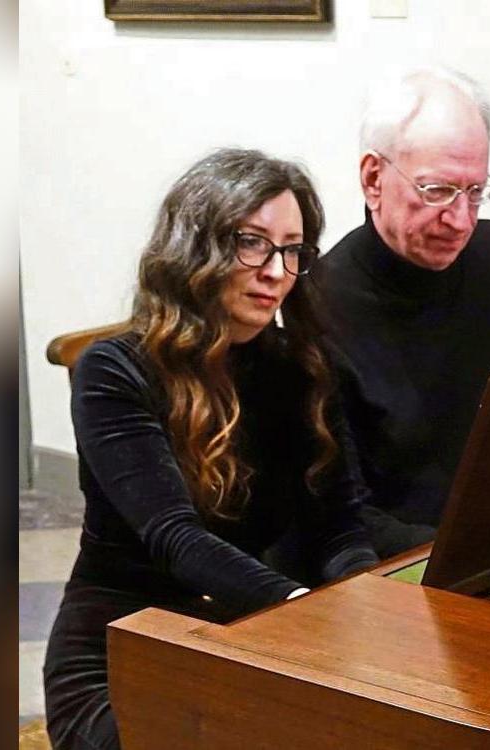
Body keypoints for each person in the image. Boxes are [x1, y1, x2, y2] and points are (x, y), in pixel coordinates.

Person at [43, 149, 378, 750]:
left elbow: (339, 527)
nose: (275, 270)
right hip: (121, 650)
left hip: (240, 634)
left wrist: (363, 607)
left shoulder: (303, 368)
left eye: (291, 249)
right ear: (197, 247)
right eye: (252, 243)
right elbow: (178, 540)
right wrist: (305, 614)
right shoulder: (116, 370)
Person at [317, 67, 490, 559]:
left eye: (476, 192)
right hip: (399, 565)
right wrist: (472, 552)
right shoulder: (318, 306)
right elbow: (342, 519)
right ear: (373, 179)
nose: (461, 220)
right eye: (437, 191)